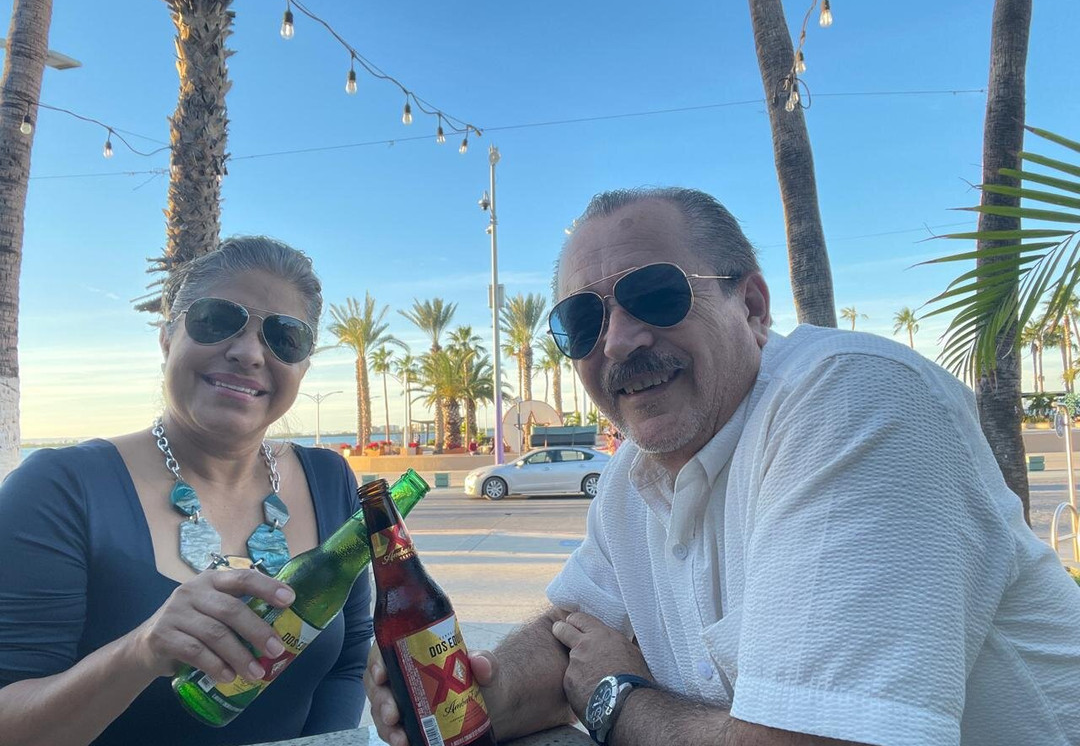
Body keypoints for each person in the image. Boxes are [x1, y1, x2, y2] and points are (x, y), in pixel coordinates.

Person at [366, 187, 1080, 746]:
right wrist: (464, 698)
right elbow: (570, 636)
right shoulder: (632, 476)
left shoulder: (854, 398)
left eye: (655, 295)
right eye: (582, 323)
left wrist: (617, 699)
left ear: (754, 306)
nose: (618, 342)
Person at [0, 236, 372, 746]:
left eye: (284, 337)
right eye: (217, 320)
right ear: (167, 337)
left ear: (302, 368)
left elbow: (349, 657)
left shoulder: (330, 480)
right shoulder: (60, 490)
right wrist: (140, 652)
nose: (248, 353)